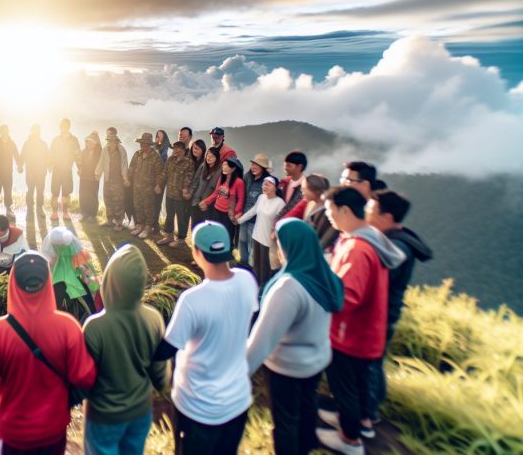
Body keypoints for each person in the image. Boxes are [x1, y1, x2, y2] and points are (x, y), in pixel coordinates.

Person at [0, 253, 98, 454]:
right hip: (53, 431)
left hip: (12, 434)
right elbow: (85, 378)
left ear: (13, 284)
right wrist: (65, 401)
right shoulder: (68, 327)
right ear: (48, 283)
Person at [154, 221, 258, 455]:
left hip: (198, 407)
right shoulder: (246, 280)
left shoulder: (193, 299)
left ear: (197, 252)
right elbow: (251, 318)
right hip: (237, 401)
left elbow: (165, 351)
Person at [316, 187, 404, 454]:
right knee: (353, 386)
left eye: (330, 210)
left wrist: (319, 293)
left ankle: (349, 440)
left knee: (345, 388)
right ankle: (353, 422)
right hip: (364, 332)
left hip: (350, 335)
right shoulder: (364, 240)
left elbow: (347, 297)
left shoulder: (357, 248)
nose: (328, 216)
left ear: (344, 210)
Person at [246, 219, 344, 455]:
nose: (277, 250)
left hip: (287, 367)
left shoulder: (287, 288)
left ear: (290, 247)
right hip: (316, 361)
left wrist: (238, 373)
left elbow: (264, 339)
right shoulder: (324, 274)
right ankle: (306, 447)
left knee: (286, 421)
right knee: (307, 407)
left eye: (279, 244)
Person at [82, 245, 168, 455]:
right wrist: (162, 387)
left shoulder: (95, 326)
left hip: (103, 416)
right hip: (139, 413)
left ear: (109, 281)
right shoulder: (154, 318)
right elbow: (160, 373)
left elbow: (84, 377)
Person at [364, 190, 432, 426]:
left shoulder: (395, 247)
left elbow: (376, 282)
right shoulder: (393, 240)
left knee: (370, 363)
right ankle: (371, 408)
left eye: (370, 210)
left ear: (387, 217)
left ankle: (367, 417)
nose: (365, 213)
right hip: (384, 312)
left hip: (380, 314)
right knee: (373, 362)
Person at [41, 227, 101, 322]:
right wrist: (95, 288)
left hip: (54, 289)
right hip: (75, 288)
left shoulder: (47, 256)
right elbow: (88, 276)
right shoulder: (77, 252)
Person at [237, 175, 285, 285]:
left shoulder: (280, 203)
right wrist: (239, 220)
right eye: (264, 183)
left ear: (276, 188)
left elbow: (281, 222)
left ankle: (263, 287)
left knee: (265, 268)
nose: (265, 185)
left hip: (268, 241)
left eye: (269, 184)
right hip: (256, 236)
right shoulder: (261, 197)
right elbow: (253, 211)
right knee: (256, 265)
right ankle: (256, 285)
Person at [199, 157, 244, 246]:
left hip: (228, 215)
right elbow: (216, 193)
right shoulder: (222, 178)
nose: (224, 167)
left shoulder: (239, 182)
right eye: (223, 165)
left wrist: (235, 213)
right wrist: (205, 201)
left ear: (233, 168)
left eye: (226, 165)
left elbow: (241, 200)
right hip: (216, 211)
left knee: (226, 236)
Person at [128, 132, 166, 239]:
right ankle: (140, 225)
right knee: (138, 205)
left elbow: (160, 173)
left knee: (148, 208)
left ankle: (148, 227)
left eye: (145, 144)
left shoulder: (155, 156)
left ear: (149, 144)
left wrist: (158, 185)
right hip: (136, 186)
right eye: (141, 144)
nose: (142, 146)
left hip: (148, 189)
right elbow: (131, 167)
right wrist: (127, 179)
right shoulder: (137, 154)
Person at [159, 141, 195, 247]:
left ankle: (181, 239)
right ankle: (168, 236)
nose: (176, 150)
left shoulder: (188, 162)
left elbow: (189, 177)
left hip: (180, 196)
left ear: (183, 150)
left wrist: (185, 188)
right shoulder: (170, 160)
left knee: (181, 218)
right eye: (174, 148)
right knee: (169, 216)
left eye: (178, 149)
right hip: (169, 193)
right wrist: (159, 185)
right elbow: (164, 173)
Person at [281, 174, 334, 246]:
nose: (302, 191)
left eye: (304, 189)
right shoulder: (312, 205)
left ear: (315, 190)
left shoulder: (325, 211)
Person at [238, 154, 270, 264]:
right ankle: (243, 261)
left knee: (251, 243)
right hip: (244, 215)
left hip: (256, 219)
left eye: (257, 165)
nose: (254, 167)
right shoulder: (247, 177)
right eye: (253, 164)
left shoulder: (266, 182)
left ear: (263, 168)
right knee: (242, 240)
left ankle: (251, 265)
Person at [97, 128, 130, 231]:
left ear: (117, 142)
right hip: (107, 179)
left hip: (118, 180)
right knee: (108, 200)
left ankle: (119, 223)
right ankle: (109, 220)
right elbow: (101, 161)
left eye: (113, 142)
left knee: (118, 201)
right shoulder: (105, 149)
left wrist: (125, 178)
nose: (111, 144)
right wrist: (97, 173)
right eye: (109, 141)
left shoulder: (122, 150)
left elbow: (124, 165)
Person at [49, 118, 81, 221]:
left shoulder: (74, 140)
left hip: (67, 170)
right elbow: (51, 153)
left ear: (69, 127)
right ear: (60, 127)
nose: (64, 128)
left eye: (66, 126)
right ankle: (54, 213)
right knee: (55, 192)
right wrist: (50, 165)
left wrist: (79, 167)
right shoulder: (56, 140)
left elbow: (77, 155)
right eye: (62, 126)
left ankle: (65, 212)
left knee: (66, 193)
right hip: (57, 169)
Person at [0, 124, 20, 217]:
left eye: (6, 131)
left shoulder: (12, 143)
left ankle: (8, 209)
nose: (5, 133)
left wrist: (19, 166)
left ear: (8, 132)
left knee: (8, 190)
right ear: (0, 132)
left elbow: (16, 155)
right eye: (3, 131)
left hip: (8, 171)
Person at [19, 124, 50, 214]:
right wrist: (20, 166)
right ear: (31, 131)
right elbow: (22, 155)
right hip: (30, 172)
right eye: (34, 131)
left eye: (38, 131)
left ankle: (39, 208)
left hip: (41, 172)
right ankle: (30, 207)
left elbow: (48, 156)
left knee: (40, 190)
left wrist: (49, 166)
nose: (36, 132)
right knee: (30, 189)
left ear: (39, 132)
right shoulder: (27, 143)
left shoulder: (43, 144)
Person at [189, 143, 219, 229]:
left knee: (204, 228)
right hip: (196, 201)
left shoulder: (219, 171)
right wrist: (191, 193)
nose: (209, 158)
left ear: (217, 158)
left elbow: (217, 190)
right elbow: (195, 182)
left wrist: (207, 202)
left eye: (212, 156)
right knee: (194, 226)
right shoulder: (203, 166)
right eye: (207, 155)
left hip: (208, 205)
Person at [77, 131, 102, 222]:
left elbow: (101, 165)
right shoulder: (84, 151)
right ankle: (84, 213)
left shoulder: (99, 153)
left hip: (94, 177)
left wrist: (98, 174)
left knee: (92, 196)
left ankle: (92, 215)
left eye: (91, 142)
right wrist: (79, 169)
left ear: (95, 143)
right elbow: (80, 162)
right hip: (84, 177)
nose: (89, 144)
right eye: (88, 142)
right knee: (83, 195)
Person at [278, 151, 308, 217]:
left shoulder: (307, 186)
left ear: (300, 166)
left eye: (289, 165)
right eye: (285, 165)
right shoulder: (283, 183)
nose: (285, 168)